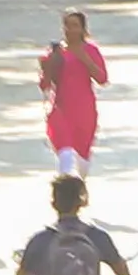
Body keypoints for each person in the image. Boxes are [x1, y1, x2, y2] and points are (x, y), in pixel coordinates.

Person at [39, 11, 107, 175]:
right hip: (60, 111)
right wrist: (47, 68)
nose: (70, 30)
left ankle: (77, 186)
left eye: (75, 26)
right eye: (67, 26)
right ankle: (64, 188)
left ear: (83, 29)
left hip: (85, 113)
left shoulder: (91, 50)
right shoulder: (57, 53)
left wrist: (85, 59)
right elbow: (45, 85)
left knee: (82, 163)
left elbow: (102, 79)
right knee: (66, 156)